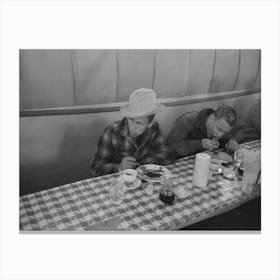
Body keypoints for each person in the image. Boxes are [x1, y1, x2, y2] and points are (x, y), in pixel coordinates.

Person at [91, 88, 175, 177]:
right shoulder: (112, 131)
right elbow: (96, 167)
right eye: (131, 119)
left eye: (139, 123)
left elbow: (168, 155)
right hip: (118, 183)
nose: (132, 127)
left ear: (150, 123)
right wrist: (118, 167)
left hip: (144, 182)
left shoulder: (153, 130)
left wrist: (142, 163)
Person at [166, 106, 239, 158]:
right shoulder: (187, 120)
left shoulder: (220, 127)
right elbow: (173, 146)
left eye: (224, 132)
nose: (220, 135)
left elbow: (228, 138)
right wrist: (200, 144)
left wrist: (231, 143)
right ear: (211, 118)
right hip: (177, 164)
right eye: (219, 129)